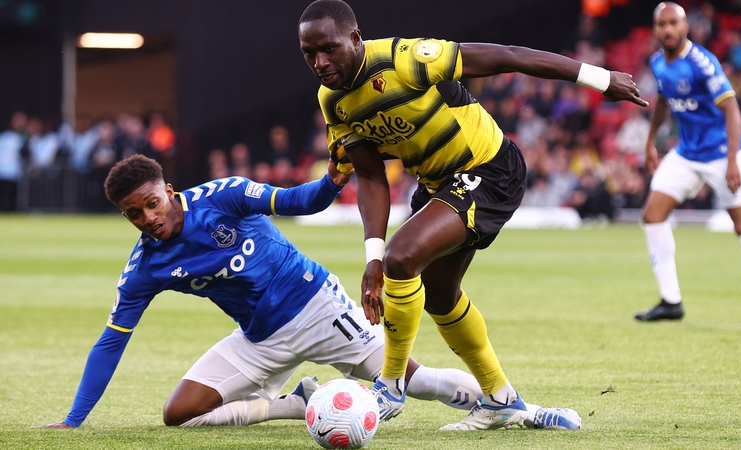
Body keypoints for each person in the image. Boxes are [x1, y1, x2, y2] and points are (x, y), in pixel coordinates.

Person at [298, 0, 647, 431]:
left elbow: (508, 56)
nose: (320, 62)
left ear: (355, 39)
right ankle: (502, 400)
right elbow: (370, 175)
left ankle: (389, 385)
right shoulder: (333, 100)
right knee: (439, 295)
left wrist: (600, 78)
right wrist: (372, 257)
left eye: (328, 49)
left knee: (402, 257)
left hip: (490, 169)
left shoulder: (405, 59)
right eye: (309, 53)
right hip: (437, 184)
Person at [46, 154, 500, 429]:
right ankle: (294, 404)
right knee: (180, 414)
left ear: (168, 190)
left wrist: (331, 181)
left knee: (416, 383)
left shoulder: (222, 197)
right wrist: (73, 420)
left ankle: (503, 404)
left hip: (319, 309)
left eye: (152, 204)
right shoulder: (144, 267)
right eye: (134, 214)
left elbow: (296, 202)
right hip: (258, 339)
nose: (148, 218)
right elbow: (111, 341)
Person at [634, 3, 741, 325]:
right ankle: (671, 301)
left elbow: (732, 111)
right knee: (652, 215)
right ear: (655, 29)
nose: (668, 30)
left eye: (673, 23)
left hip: (721, 153)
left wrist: (733, 161)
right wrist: (650, 141)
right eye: (662, 24)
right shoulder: (658, 62)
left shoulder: (702, 63)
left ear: (685, 27)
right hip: (687, 153)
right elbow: (662, 102)